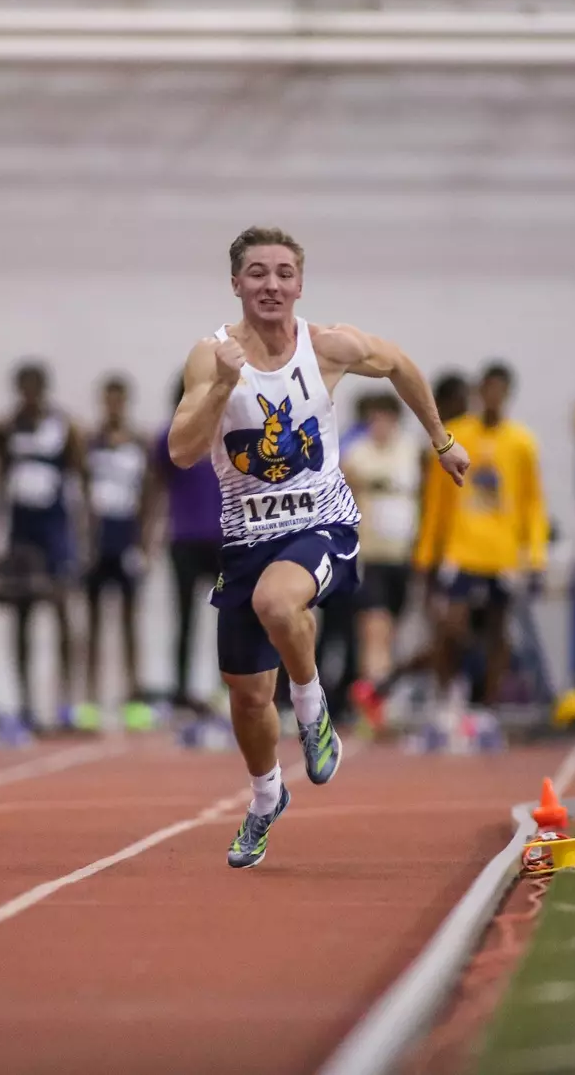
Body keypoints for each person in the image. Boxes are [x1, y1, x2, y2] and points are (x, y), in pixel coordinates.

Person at [166, 226, 468, 869]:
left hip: (323, 526)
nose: (270, 284)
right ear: (236, 284)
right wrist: (221, 386)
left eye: (282, 272)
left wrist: (441, 442)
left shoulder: (329, 346)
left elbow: (401, 366)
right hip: (245, 541)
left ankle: (312, 708)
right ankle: (265, 797)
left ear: (300, 283)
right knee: (246, 698)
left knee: (281, 603)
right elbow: (183, 451)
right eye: (256, 273)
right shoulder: (209, 357)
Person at [412, 363, 548, 714]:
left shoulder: (522, 442)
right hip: (461, 549)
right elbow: (436, 503)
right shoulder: (453, 436)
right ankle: (448, 696)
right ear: (478, 392)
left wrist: (534, 553)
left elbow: (533, 502)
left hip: (502, 553)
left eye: (500, 391)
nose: (492, 398)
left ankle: (488, 706)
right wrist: (427, 554)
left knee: (498, 632)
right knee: (450, 626)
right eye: (487, 390)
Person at [0, 362, 84, 734]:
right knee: (22, 616)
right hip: (20, 529)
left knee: (62, 610)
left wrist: (83, 536)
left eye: (35, 387)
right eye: (23, 387)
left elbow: (82, 480)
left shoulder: (65, 426)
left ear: (44, 388)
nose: (29, 394)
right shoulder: (7, 427)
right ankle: (25, 703)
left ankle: (63, 704)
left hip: (54, 529)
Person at [340, 391, 423, 725]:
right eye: (374, 419)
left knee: (391, 631)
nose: (380, 425)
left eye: (386, 418)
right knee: (374, 628)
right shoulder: (357, 454)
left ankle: (379, 693)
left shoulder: (410, 452)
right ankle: (374, 702)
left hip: (402, 556)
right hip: (370, 555)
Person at [78, 374, 154, 732]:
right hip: (97, 536)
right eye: (107, 400)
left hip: (126, 534)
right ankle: (90, 700)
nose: (113, 407)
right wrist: (82, 540)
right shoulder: (89, 443)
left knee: (128, 621)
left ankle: (134, 699)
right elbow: (79, 494)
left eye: (118, 400)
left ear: (126, 402)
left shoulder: (140, 443)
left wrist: (144, 543)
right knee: (92, 621)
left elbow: (149, 496)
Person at [153, 375, 224, 715]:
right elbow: (154, 486)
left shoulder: (227, 431)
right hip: (184, 539)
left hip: (226, 539)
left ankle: (228, 688)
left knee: (231, 618)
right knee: (184, 618)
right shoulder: (171, 437)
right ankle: (182, 691)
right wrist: (149, 534)